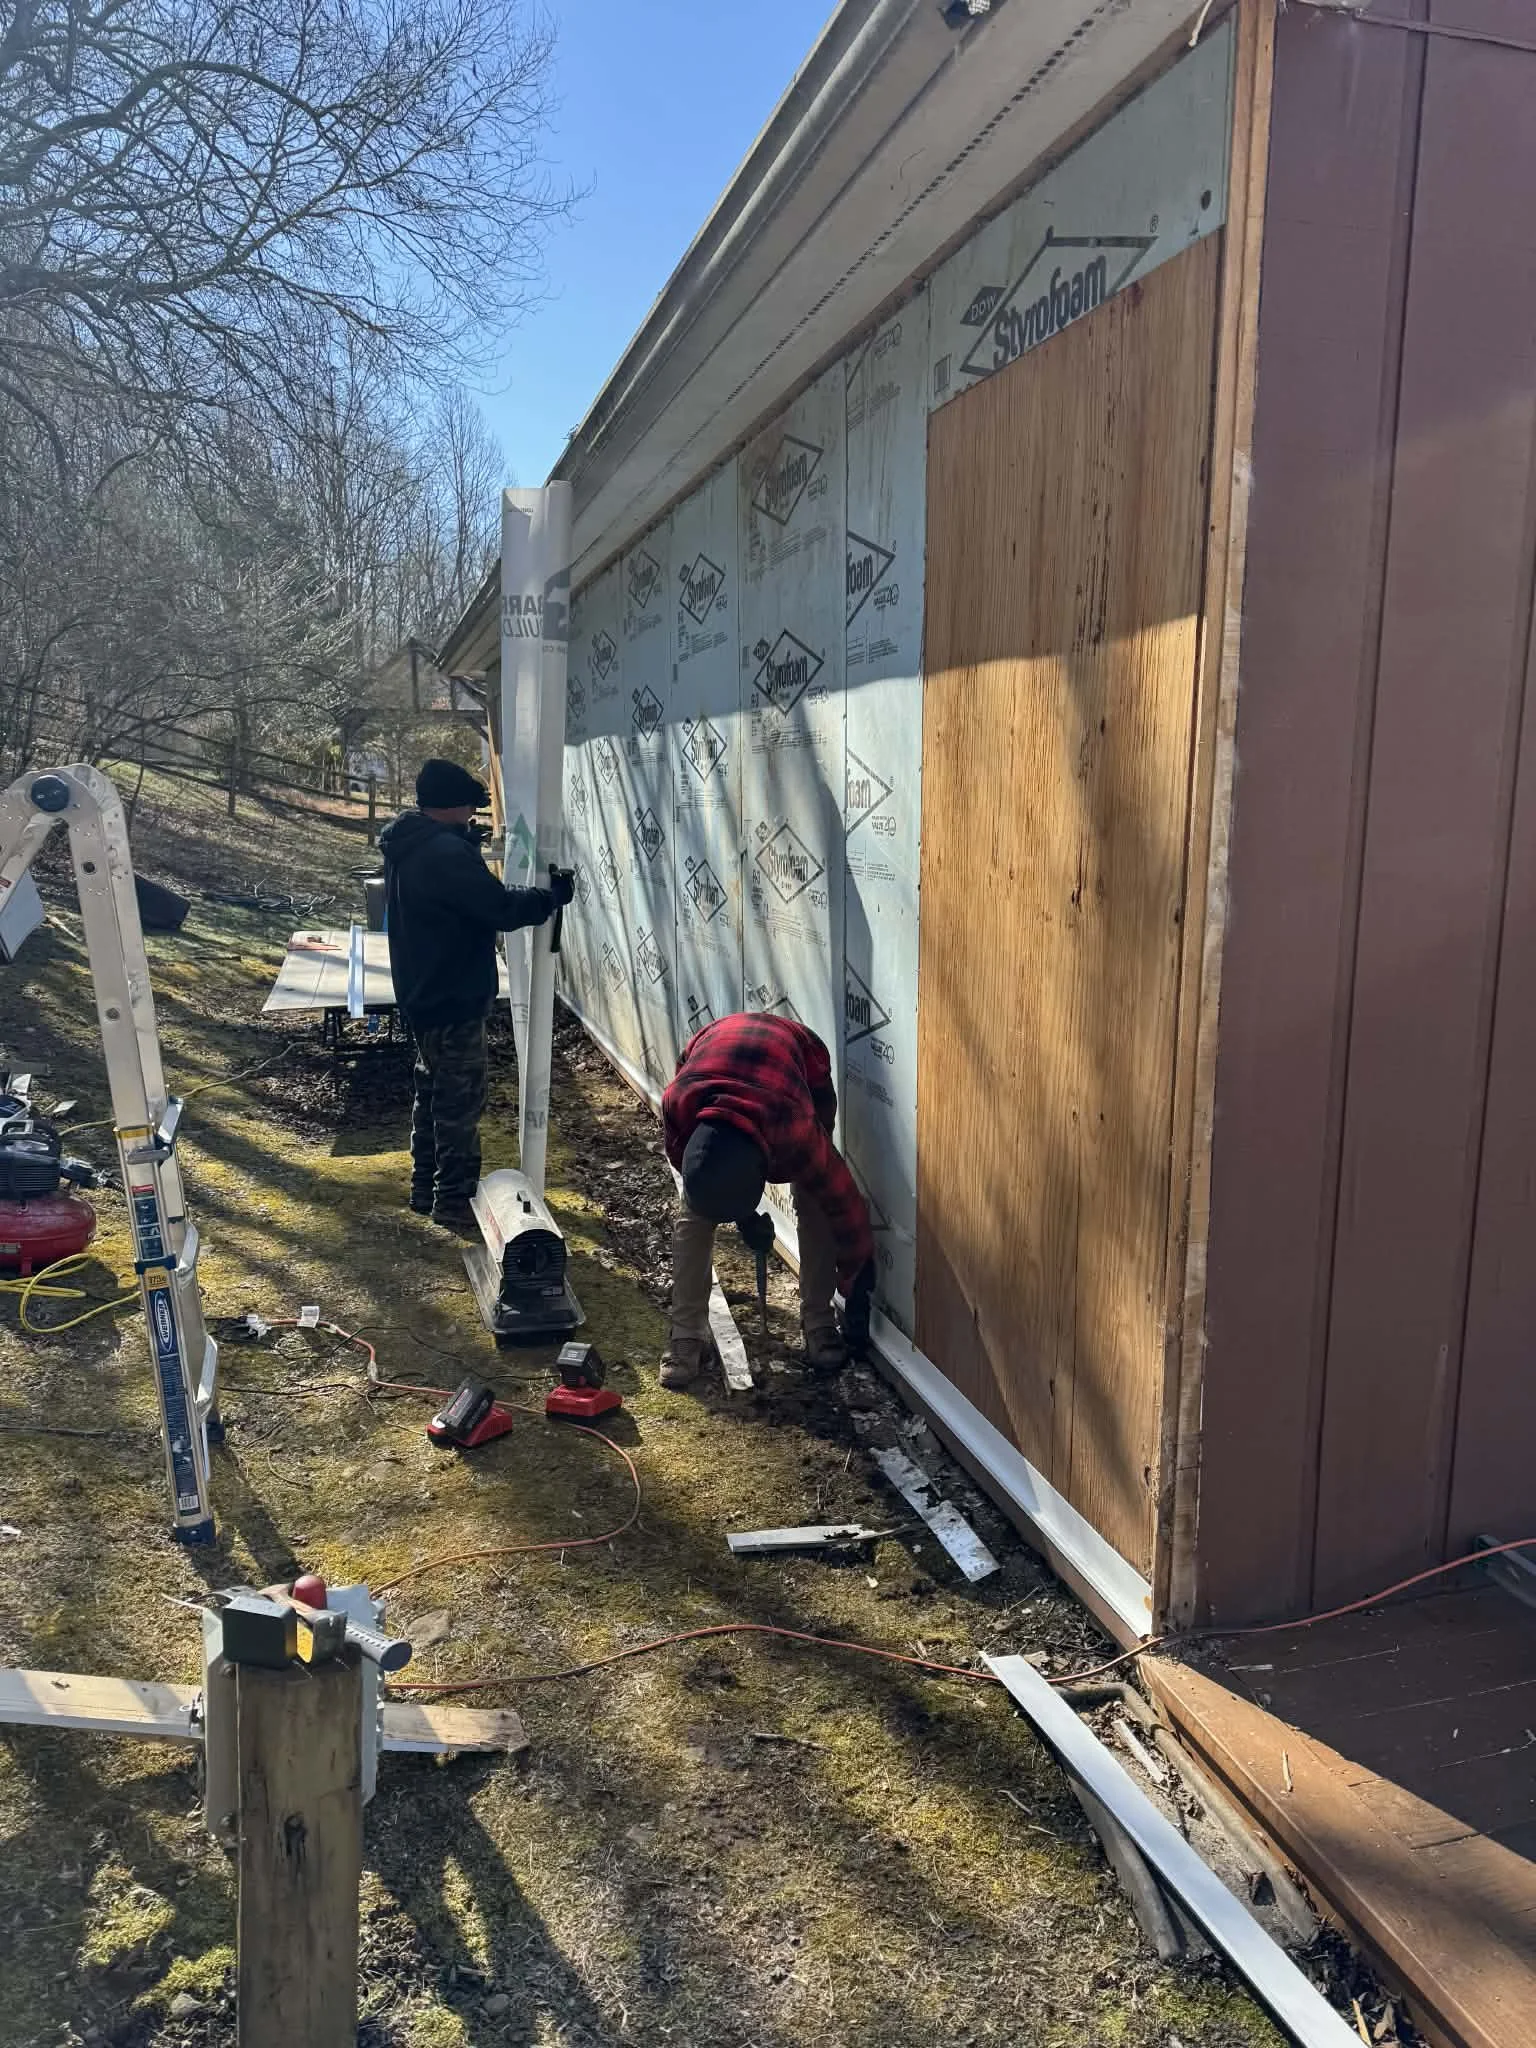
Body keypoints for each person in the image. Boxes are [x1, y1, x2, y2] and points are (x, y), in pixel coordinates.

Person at [379, 758, 573, 1232]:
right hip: (452, 994)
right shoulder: (442, 853)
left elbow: (457, 900)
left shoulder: (412, 844)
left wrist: (464, 846)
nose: (472, 817)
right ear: (453, 806)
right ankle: (454, 1202)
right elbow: (498, 908)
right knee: (459, 1103)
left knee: (431, 1096)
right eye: (468, 809)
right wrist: (549, 898)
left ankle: (425, 1189)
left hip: (424, 993)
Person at [660, 1011, 876, 1389]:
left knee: (815, 1198)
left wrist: (857, 1285)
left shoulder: (796, 1130)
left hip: (800, 1057)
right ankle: (686, 1334)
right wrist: (745, 1217)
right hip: (711, 1045)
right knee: (693, 1216)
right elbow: (703, 1180)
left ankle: (819, 1320)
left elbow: (844, 1208)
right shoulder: (679, 1104)